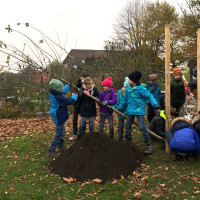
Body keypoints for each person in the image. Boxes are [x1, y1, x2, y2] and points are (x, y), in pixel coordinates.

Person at [116, 71, 159, 154]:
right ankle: (128, 141)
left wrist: (155, 106)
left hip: (139, 111)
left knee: (142, 127)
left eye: (129, 80)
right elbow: (124, 100)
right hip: (130, 111)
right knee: (128, 125)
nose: (128, 81)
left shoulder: (141, 89)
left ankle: (149, 145)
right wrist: (119, 108)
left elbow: (150, 96)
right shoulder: (128, 89)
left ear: (134, 81)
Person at [48, 79, 78, 157]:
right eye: (61, 88)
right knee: (59, 134)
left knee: (62, 132)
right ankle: (51, 150)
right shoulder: (58, 97)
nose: (62, 89)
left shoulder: (55, 92)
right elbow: (69, 101)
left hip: (58, 114)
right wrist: (75, 96)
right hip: (58, 115)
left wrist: (68, 85)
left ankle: (61, 147)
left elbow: (62, 91)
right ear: (57, 89)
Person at [69, 74, 87, 141]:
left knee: (83, 119)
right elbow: (74, 92)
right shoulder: (77, 84)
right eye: (81, 78)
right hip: (76, 104)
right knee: (74, 119)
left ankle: (82, 133)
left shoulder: (87, 86)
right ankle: (74, 133)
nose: (82, 80)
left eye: (83, 78)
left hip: (83, 105)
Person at [113, 77, 129, 142]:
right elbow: (117, 101)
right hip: (120, 111)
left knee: (128, 126)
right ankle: (120, 138)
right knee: (120, 125)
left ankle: (128, 139)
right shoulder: (119, 92)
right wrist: (115, 107)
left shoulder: (130, 92)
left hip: (128, 112)